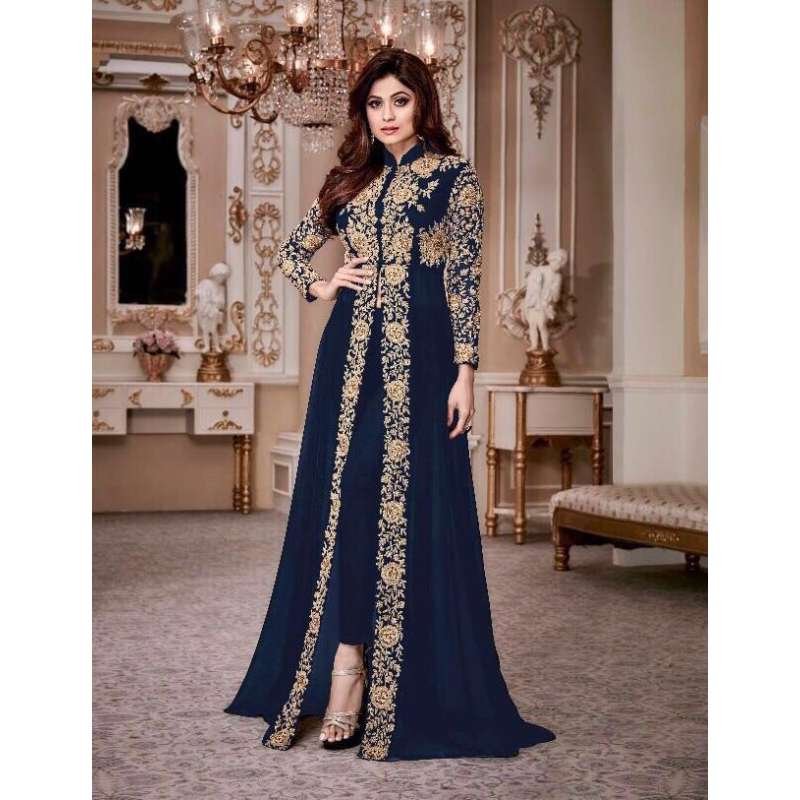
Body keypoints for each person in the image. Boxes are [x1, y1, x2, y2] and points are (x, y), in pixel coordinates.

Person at [224, 48, 555, 762]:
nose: (387, 115)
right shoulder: (351, 177)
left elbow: (463, 280)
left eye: (399, 101)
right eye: (375, 104)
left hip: (425, 362)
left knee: (406, 504)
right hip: (349, 364)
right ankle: (348, 665)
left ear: (422, 103)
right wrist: (323, 284)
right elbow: (291, 252)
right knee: (348, 499)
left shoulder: (454, 178)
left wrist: (466, 373)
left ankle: (405, 674)